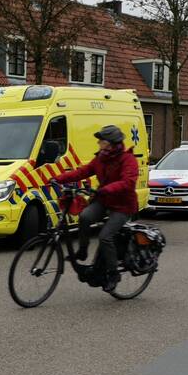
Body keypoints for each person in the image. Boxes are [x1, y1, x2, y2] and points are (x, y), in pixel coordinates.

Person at [52, 124, 139, 292]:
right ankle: (83, 251)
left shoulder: (128, 160)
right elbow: (83, 171)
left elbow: (128, 182)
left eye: (102, 140)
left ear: (111, 143)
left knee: (105, 237)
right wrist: (58, 178)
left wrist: (106, 189)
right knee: (85, 217)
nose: (98, 142)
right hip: (104, 200)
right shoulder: (101, 158)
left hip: (123, 206)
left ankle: (113, 274)